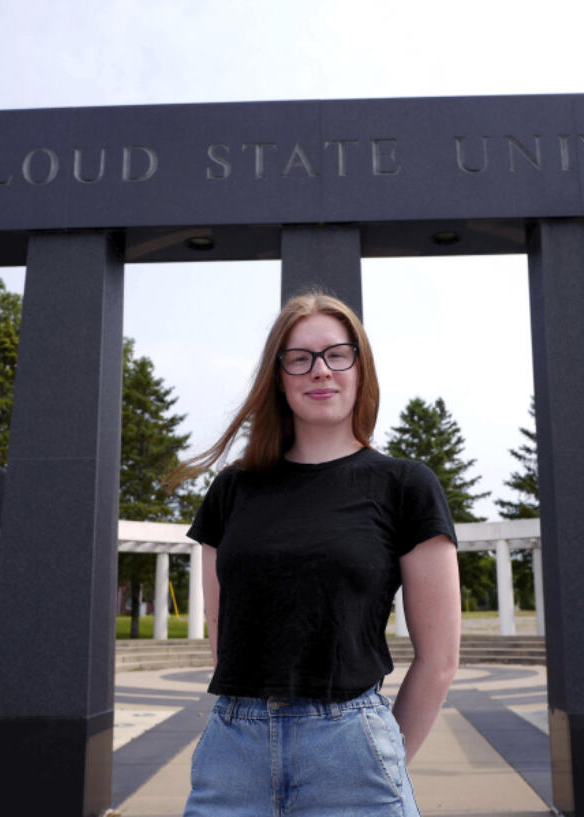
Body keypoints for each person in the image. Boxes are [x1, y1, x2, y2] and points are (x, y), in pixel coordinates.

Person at [166, 291, 460, 817]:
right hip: (232, 753)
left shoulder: (406, 486)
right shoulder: (232, 491)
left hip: (352, 751)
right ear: (278, 377)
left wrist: (385, 759)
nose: (320, 371)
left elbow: (439, 661)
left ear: (360, 368)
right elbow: (224, 637)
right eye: (299, 358)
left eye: (336, 354)